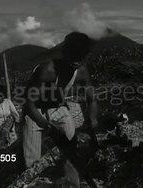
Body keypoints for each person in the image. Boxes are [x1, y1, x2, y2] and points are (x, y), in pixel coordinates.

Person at [22, 32, 98, 187]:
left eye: (80, 58)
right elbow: (28, 104)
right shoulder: (47, 70)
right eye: (73, 57)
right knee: (32, 165)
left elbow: (91, 99)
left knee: (72, 147)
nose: (76, 63)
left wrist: (92, 119)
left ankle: (68, 179)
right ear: (65, 53)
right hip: (35, 111)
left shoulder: (81, 71)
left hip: (59, 108)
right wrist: (46, 125)